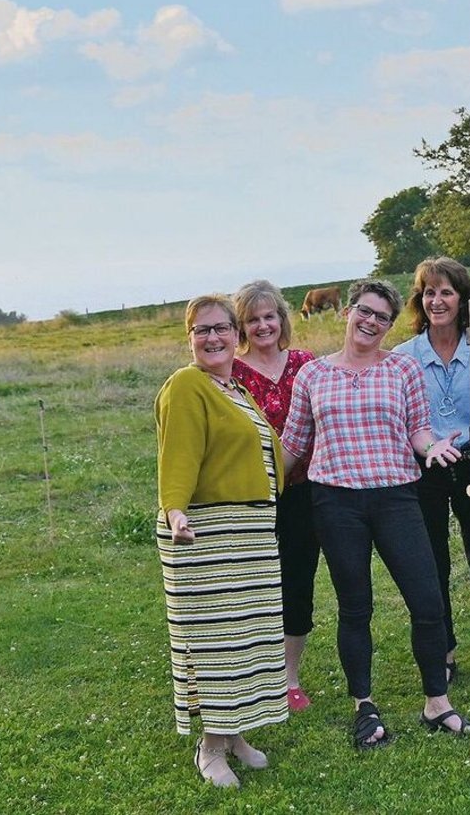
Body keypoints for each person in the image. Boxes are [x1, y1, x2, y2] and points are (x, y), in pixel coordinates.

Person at [281, 279, 470, 748]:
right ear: (348, 312)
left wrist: (434, 448)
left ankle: (437, 702)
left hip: (396, 497)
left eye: (381, 317)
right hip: (335, 501)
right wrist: (250, 483)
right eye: (364, 311)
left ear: (390, 325)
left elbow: (418, 431)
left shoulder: (403, 369)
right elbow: (292, 445)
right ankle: (363, 706)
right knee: (355, 607)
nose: (370, 322)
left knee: (427, 601)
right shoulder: (314, 375)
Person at [155, 294, 286, 788]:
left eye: (221, 329)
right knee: (216, 642)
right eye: (201, 330)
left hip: (248, 534)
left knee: (245, 638)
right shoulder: (187, 385)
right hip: (207, 531)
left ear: (238, 335)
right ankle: (209, 747)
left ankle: (235, 735)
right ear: (189, 338)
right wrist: (175, 510)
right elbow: (179, 455)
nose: (212, 338)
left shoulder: (234, 389)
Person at [393, 257, 470, 682]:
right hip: (422, 467)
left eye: (446, 292)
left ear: (462, 299)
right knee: (431, 560)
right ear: (419, 300)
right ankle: (441, 647)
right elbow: (400, 418)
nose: (437, 300)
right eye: (429, 293)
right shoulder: (402, 358)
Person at [230, 280, 319, 712]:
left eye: (270, 317)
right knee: (255, 584)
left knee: (297, 582)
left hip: (303, 492)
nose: (263, 325)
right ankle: (249, 675)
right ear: (241, 326)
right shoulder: (229, 371)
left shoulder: (305, 364)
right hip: (250, 495)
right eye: (253, 319)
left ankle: (289, 678)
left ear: (282, 320)